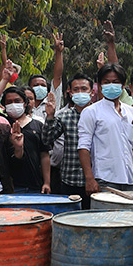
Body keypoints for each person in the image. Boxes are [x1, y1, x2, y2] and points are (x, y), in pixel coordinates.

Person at [77, 63, 133, 193]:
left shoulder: (131, 112)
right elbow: (83, 147)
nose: (111, 85)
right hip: (104, 179)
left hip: (129, 179)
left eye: (115, 82)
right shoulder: (91, 112)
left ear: (123, 85)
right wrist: (89, 178)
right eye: (106, 82)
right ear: (100, 85)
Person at [41, 73, 94, 207]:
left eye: (84, 89)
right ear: (70, 93)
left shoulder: (99, 114)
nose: (80, 92)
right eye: (76, 90)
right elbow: (47, 140)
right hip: (70, 178)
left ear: (91, 92)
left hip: (96, 178)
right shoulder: (64, 115)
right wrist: (50, 117)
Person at [1, 85, 51, 193]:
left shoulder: (37, 125)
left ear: (24, 103)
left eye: (17, 101)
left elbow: (44, 155)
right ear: (4, 105)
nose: (13, 104)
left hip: (34, 184)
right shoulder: (1, 126)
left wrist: (47, 182)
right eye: (9, 102)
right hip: (10, 186)